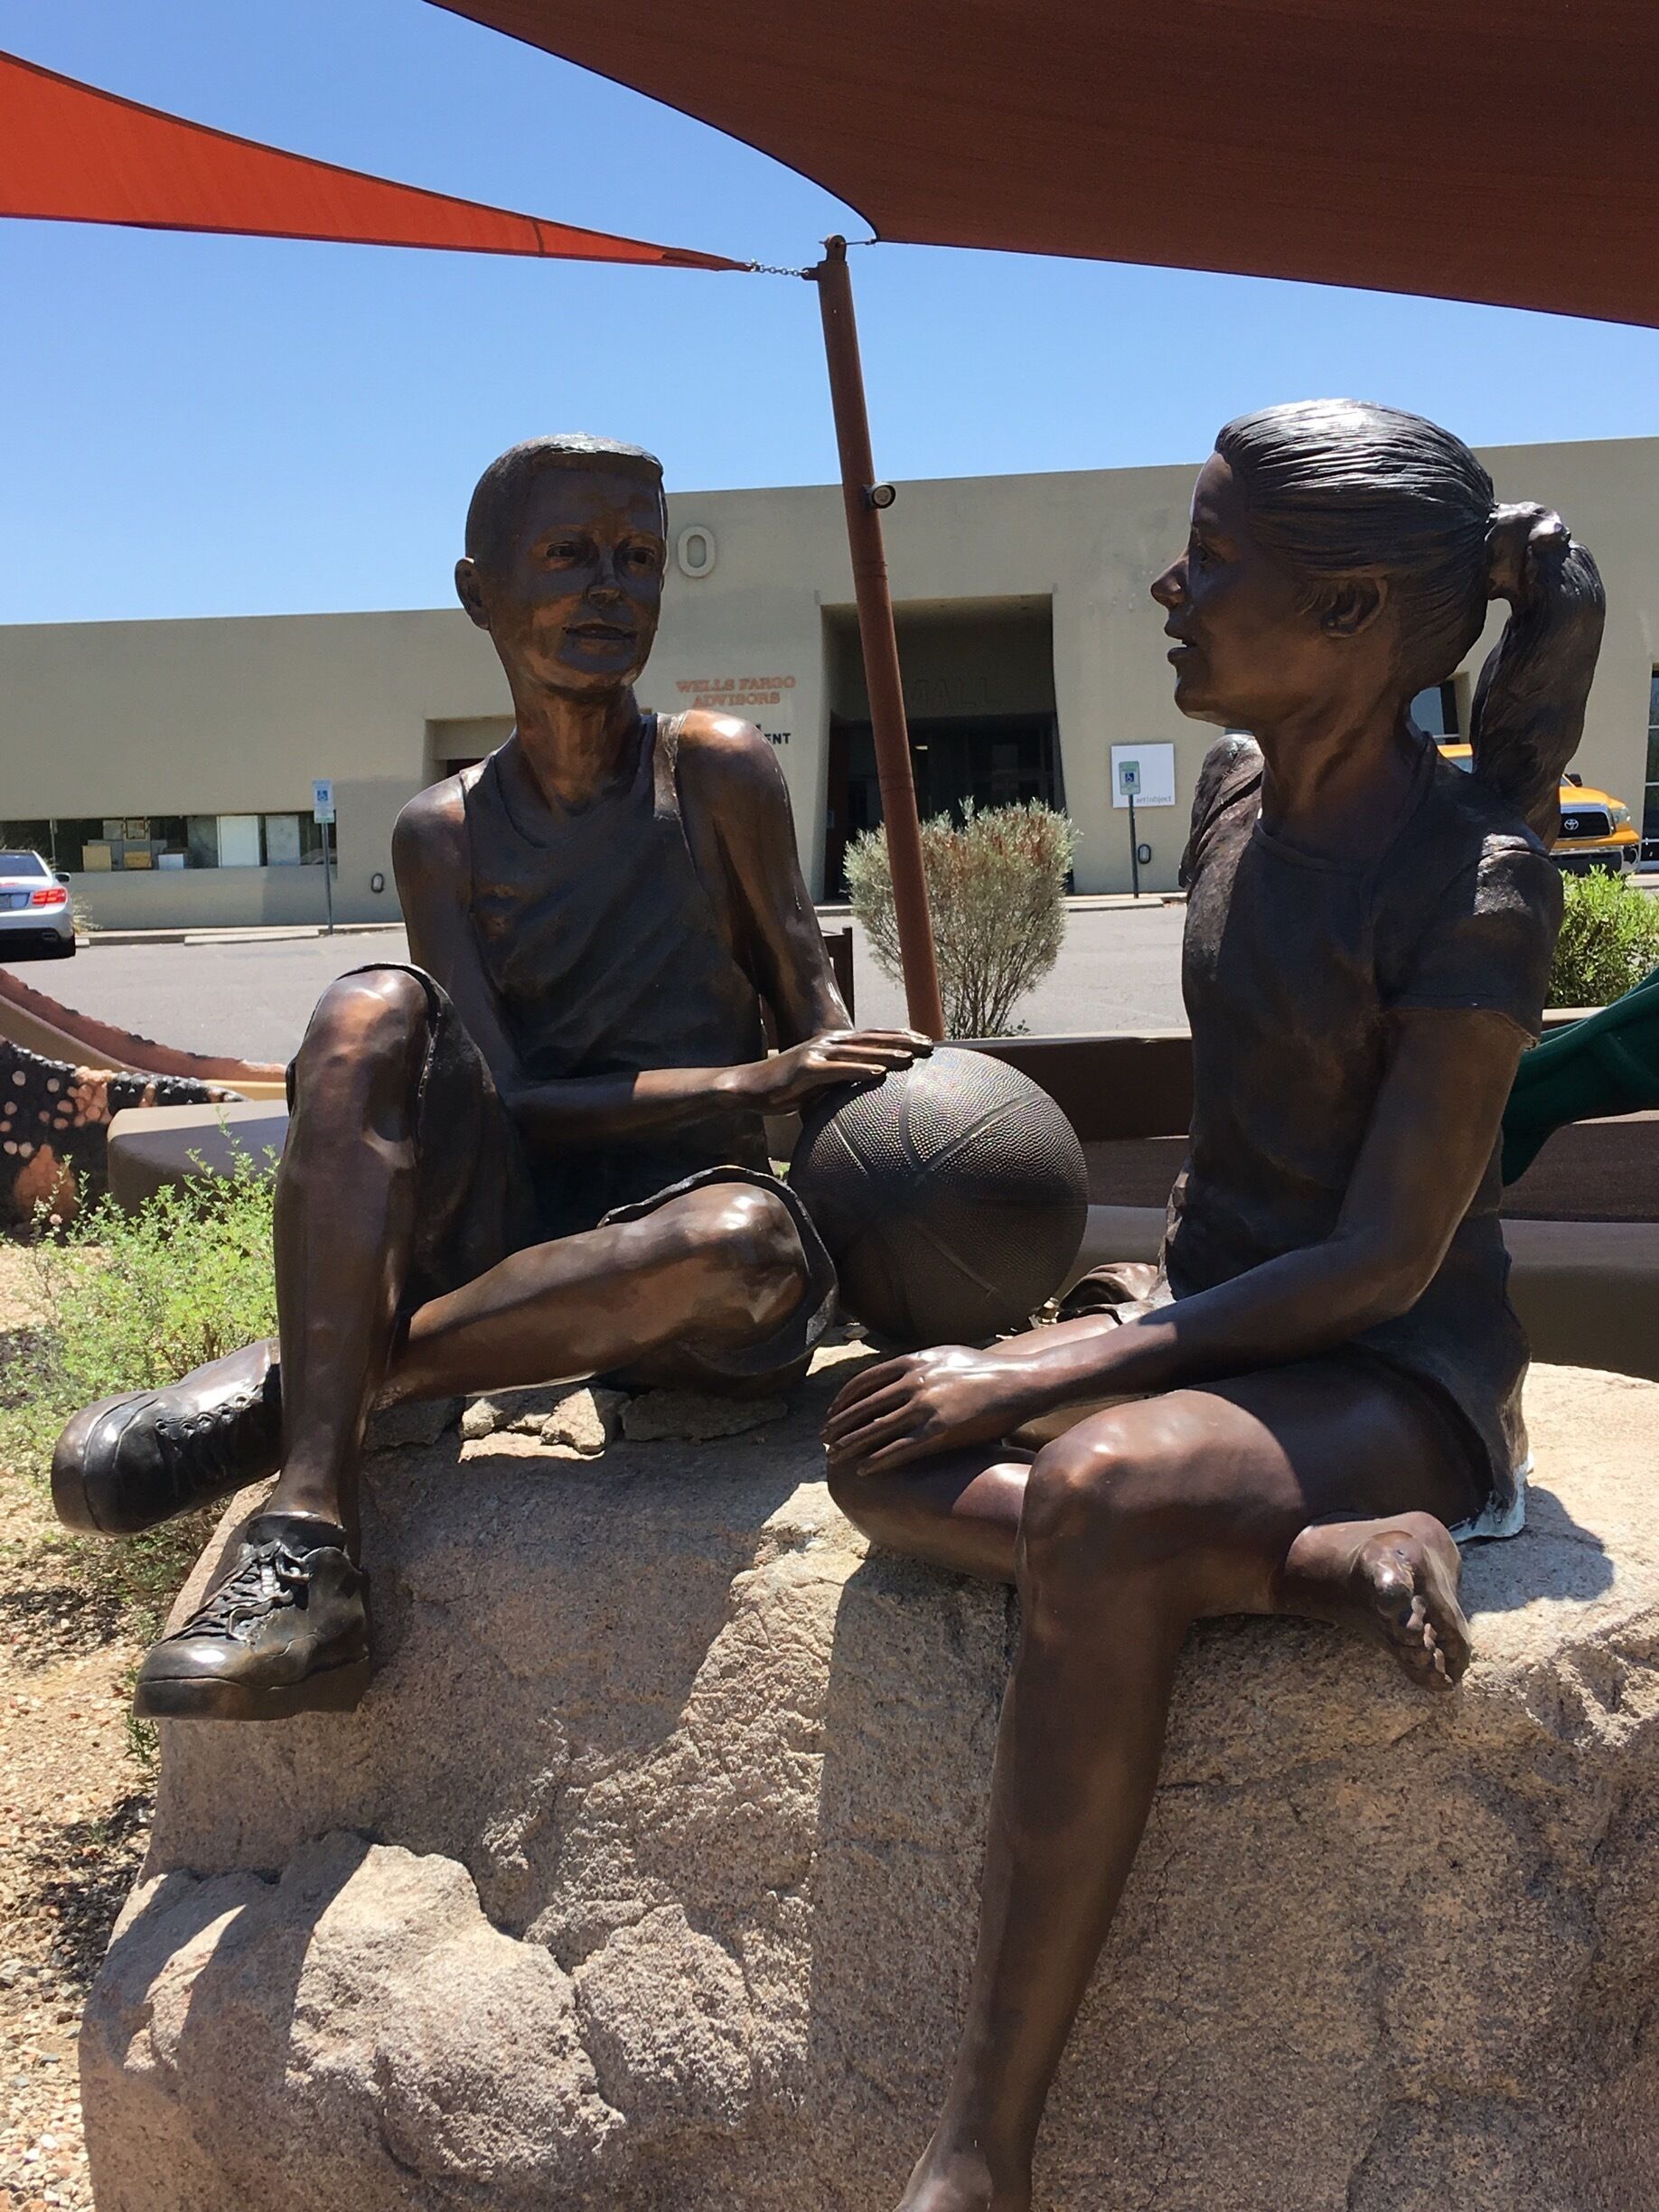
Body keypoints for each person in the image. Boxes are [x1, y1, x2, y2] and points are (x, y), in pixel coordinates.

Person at [823, 399, 1605, 2212]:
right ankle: (1299, 1566)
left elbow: (1384, 1262)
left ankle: (979, 2151)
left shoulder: (1473, 885)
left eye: (1220, 556)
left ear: (1352, 616)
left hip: (1395, 1370)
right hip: (1226, 1326)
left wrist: (1081, 1361)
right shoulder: (1248, 791)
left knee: (1095, 1499)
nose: (1173, 586)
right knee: (874, 1437)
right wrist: (1064, 1341)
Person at [52, 432, 927, 1721]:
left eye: (638, 557)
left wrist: (906, 1222)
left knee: (743, 1244)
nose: (609, 588)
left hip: (681, 1249)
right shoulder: (443, 833)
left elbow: (823, 1029)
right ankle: (307, 1543)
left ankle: (316, 1392)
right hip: (508, 1221)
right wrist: (753, 1080)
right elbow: (507, 1103)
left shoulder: (716, 769)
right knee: (368, 1012)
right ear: (480, 592)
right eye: (568, 556)